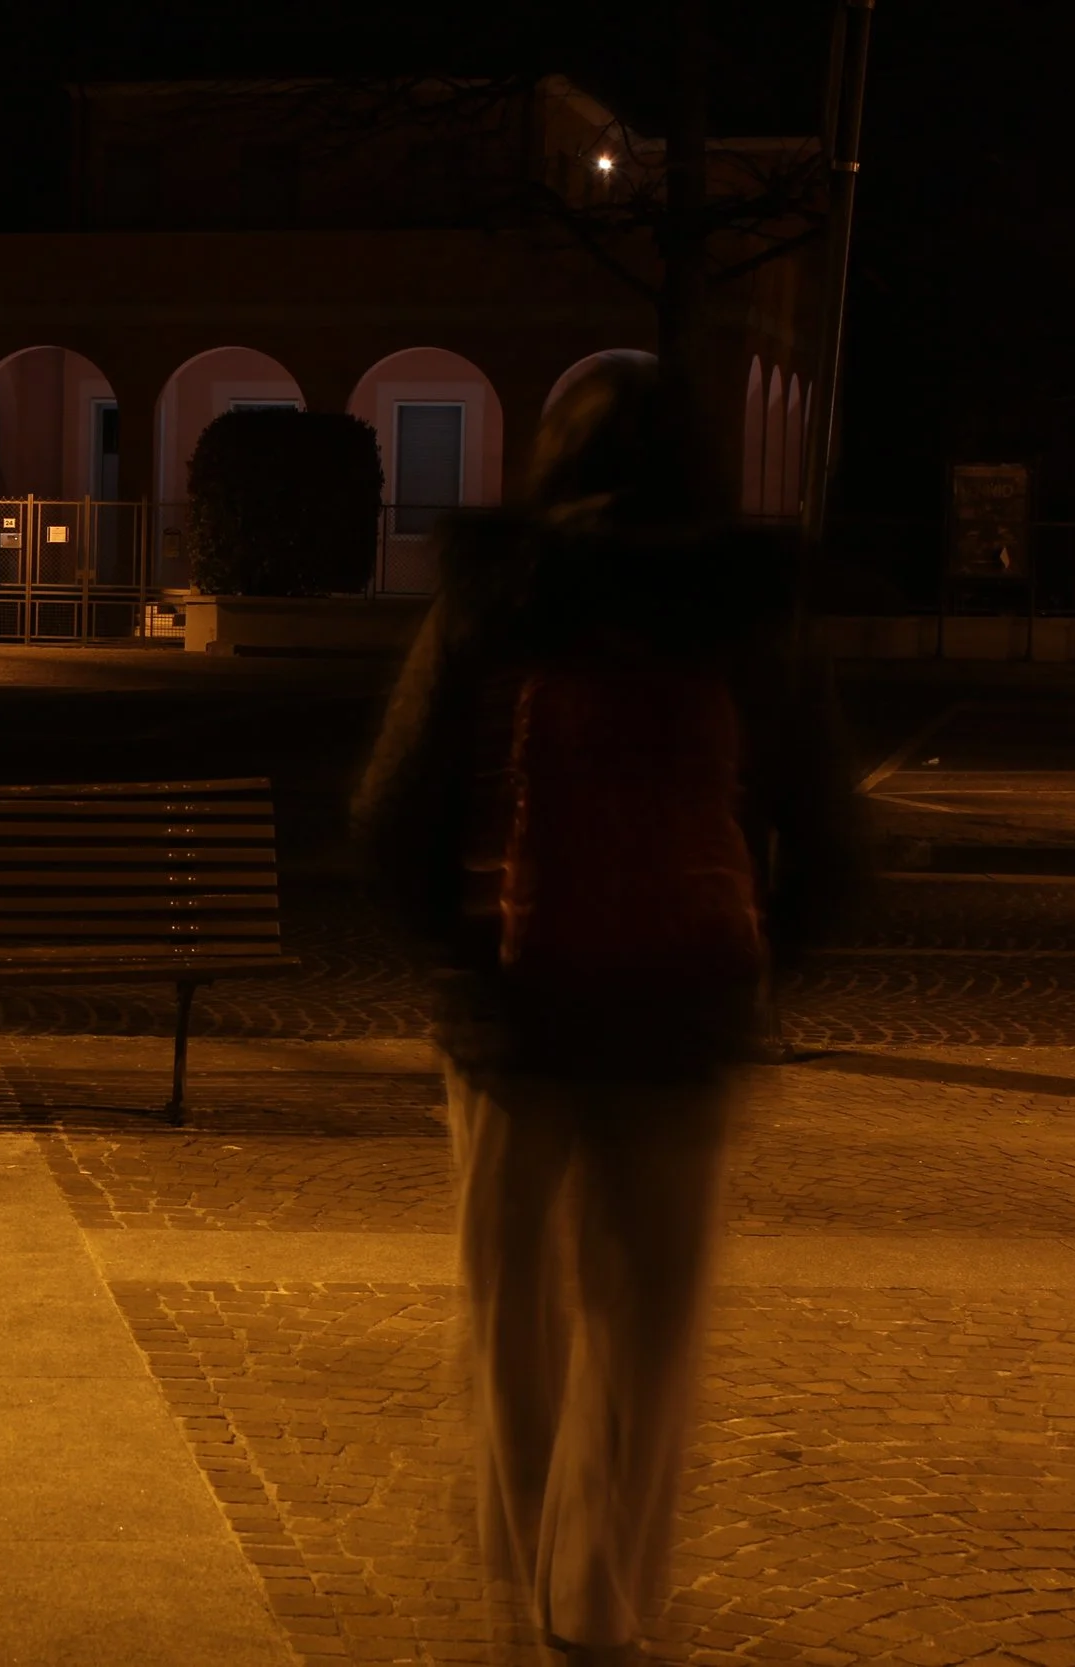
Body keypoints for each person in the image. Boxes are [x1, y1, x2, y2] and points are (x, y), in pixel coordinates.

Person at [352, 357, 860, 1665]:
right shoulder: (744, 608)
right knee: (648, 1336)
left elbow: (394, 804)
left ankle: (527, 1598)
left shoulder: (497, 596)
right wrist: (756, 971)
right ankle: (604, 1602)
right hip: (683, 1016)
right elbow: (831, 829)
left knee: (515, 1323)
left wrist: (458, 963)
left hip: (519, 1022)